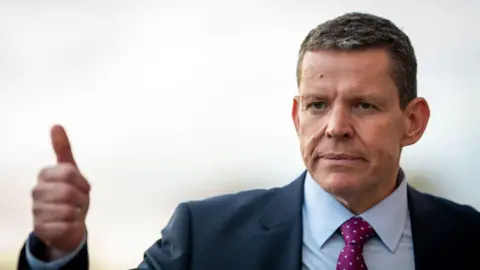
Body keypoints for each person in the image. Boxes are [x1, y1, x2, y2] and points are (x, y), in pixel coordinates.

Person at [17, 12, 480, 270]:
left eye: (363, 105)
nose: (336, 126)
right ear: (298, 117)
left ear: (413, 121)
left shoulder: (469, 242)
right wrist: (58, 252)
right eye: (318, 105)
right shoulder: (203, 240)